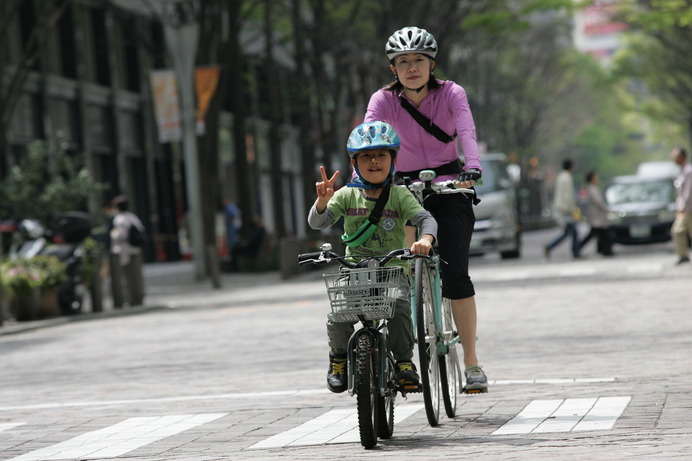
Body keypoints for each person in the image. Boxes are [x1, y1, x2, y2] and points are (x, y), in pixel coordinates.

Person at [362, 26, 487, 391]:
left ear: (432, 64)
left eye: (419, 60)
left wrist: (472, 168)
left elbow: (466, 130)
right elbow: (368, 138)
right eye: (403, 62)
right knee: (401, 273)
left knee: (456, 275)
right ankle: (404, 357)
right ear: (393, 68)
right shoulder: (383, 101)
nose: (412, 67)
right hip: (402, 189)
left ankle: (472, 363)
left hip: (451, 188)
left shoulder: (451, 93)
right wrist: (368, 175)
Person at [308, 121, 437, 393]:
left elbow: (425, 219)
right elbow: (318, 223)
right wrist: (321, 202)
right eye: (366, 156)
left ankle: (404, 363)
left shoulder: (400, 195)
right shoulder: (346, 195)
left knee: (400, 307)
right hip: (354, 270)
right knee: (340, 313)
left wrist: (425, 240)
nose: (374, 161)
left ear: (393, 159)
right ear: (354, 162)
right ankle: (338, 359)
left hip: (393, 270)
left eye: (381, 155)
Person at [109, 195, 145, 307]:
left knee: (126, 277)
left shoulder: (119, 219)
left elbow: (120, 235)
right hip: (135, 250)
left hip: (124, 251)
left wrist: (113, 234)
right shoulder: (133, 217)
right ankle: (139, 297)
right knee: (137, 275)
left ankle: (129, 299)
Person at [544, 159, 581, 259]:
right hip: (565, 209)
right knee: (571, 231)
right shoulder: (567, 177)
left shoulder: (561, 176)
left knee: (570, 232)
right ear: (570, 167)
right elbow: (567, 194)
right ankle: (575, 252)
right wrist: (569, 208)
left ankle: (575, 251)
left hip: (561, 207)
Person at [578, 170, 613, 257]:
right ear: (592, 179)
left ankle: (604, 250)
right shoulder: (592, 189)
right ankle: (605, 251)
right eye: (596, 178)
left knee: (600, 234)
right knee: (600, 234)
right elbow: (599, 202)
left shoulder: (591, 188)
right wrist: (607, 209)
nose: (597, 179)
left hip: (598, 217)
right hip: (597, 217)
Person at [671, 146, 692, 265]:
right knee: (678, 231)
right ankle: (683, 255)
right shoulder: (683, 170)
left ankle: (683, 255)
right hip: (686, 208)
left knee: (677, 230)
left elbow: (688, 192)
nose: (673, 159)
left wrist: (682, 208)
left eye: (675, 156)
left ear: (682, 157)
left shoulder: (689, 171)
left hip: (688, 208)